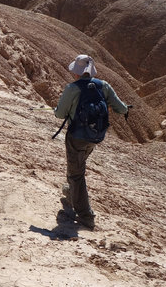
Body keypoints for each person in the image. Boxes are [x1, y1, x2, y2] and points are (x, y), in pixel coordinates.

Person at [54, 54, 128, 230]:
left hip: (76, 137)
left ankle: (86, 215)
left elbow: (59, 114)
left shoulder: (72, 88)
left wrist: (62, 109)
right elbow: (121, 108)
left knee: (76, 173)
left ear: (77, 73)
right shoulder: (104, 86)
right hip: (95, 136)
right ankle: (71, 194)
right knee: (77, 166)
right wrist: (125, 108)